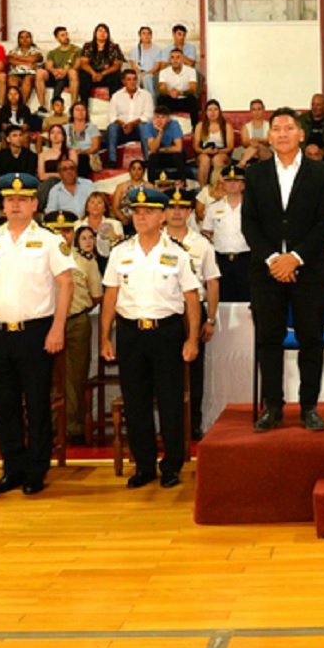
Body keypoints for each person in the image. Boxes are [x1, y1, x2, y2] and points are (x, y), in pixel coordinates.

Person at [0, 174, 75, 496]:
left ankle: (37, 469)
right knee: (4, 403)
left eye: (22, 199)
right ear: (2, 205)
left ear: (34, 204)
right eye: (10, 200)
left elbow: (66, 283)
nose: (15, 205)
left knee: (37, 403)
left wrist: (57, 327)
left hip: (36, 332)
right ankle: (12, 468)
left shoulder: (49, 240)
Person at [242, 108, 324, 432]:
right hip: (266, 272)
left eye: (289, 128)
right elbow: (249, 224)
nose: (282, 133)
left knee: (311, 339)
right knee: (268, 340)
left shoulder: (321, 173)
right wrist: (274, 259)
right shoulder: (255, 175)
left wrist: (294, 258)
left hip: (308, 271)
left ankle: (309, 407)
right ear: (269, 136)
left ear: (301, 134)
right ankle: (273, 407)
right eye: (276, 128)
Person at [99, 186, 202, 488]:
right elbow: (110, 296)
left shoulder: (177, 253)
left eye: (148, 212)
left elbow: (192, 299)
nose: (141, 217)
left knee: (170, 401)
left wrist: (192, 339)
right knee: (136, 402)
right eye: (136, 212)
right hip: (130, 333)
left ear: (162, 216)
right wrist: (105, 337)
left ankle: (171, 465)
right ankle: (144, 465)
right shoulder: (120, 252)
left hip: (167, 332)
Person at [40, 210, 104, 445]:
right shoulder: (38, 258)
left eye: (67, 231)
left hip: (76, 321)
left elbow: (96, 295)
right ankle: (47, 426)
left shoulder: (84, 260)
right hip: (45, 322)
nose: (62, 235)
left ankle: (73, 427)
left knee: (76, 376)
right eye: (56, 231)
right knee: (44, 376)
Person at [164, 187, 221, 439]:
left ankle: (192, 423)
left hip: (193, 310)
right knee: (166, 370)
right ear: (164, 212)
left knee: (194, 371)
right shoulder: (155, 240)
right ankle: (168, 425)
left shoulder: (201, 244)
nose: (177, 212)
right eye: (172, 207)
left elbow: (212, 282)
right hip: (165, 311)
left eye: (182, 208)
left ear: (189, 212)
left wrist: (210, 319)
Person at [202, 165, 251, 303]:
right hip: (221, 260)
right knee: (224, 299)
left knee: (247, 298)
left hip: (246, 258)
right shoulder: (214, 207)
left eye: (237, 180)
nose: (232, 184)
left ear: (243, 184)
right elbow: (207, 231)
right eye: (229, 181)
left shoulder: (252, 207)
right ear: (223, 184)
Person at [106, 69, 154, 161]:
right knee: (112, 127)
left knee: (144, 126)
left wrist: (132, 124)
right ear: (123, 81)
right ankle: (112, 160)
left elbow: (148, 116)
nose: (132, 82)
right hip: (121, 129)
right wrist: (123, 125)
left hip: (138, 129)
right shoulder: (116, 95)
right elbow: (111, 117)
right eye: (129, 79)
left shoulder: (146, 95)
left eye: (134, 79)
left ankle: (148, 160)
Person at [77, 23, 124, 105]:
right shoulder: (88, 46)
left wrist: (102, 74)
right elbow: (83, 63)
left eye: (105, 31)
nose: (102, 33)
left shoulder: (114, 47)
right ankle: (83, 106)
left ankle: (114, 106)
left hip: (107, 74)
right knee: (83, 76)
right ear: (95, 33)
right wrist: (93, 73)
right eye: (100, 31)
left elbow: (117, 65)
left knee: (116, 76)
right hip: (92, 74)